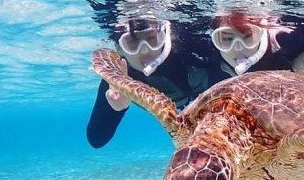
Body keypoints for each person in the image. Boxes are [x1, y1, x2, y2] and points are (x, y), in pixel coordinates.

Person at [86, 16, 224, 148]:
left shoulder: (191, 50)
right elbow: (96, 139)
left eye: (151, 39)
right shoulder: (121, 78)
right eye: (132, 43)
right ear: (120, 48)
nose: (145, 50)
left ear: (163, 37)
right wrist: (117, 109)